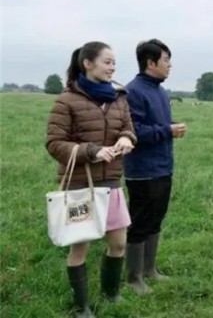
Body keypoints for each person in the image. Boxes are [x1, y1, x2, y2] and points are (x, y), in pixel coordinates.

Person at [46, 41, 137, 318]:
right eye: (107, 62)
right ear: (88, 63)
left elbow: (128, 128)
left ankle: (111, 294)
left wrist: (126, 139)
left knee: (119, 243)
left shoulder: (119, 97)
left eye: (114, 62)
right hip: (79, 184)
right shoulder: (67, 99)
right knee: (80, 246)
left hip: (111, 181)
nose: (112, 67)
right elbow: (54, 143)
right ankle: (81, 306)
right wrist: (92, 151)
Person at [123, 39, 186, 294]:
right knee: (139, 222)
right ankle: (133, 277)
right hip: (142, 171)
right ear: (151, 63)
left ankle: (150, 270)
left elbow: (157, 128)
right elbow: (133, 131)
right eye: (166, 60)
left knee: (156, 219)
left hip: (163, 167)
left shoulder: (160, 91)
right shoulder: (133, 92)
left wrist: (168, 131)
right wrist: (167, 130)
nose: (169, 66)